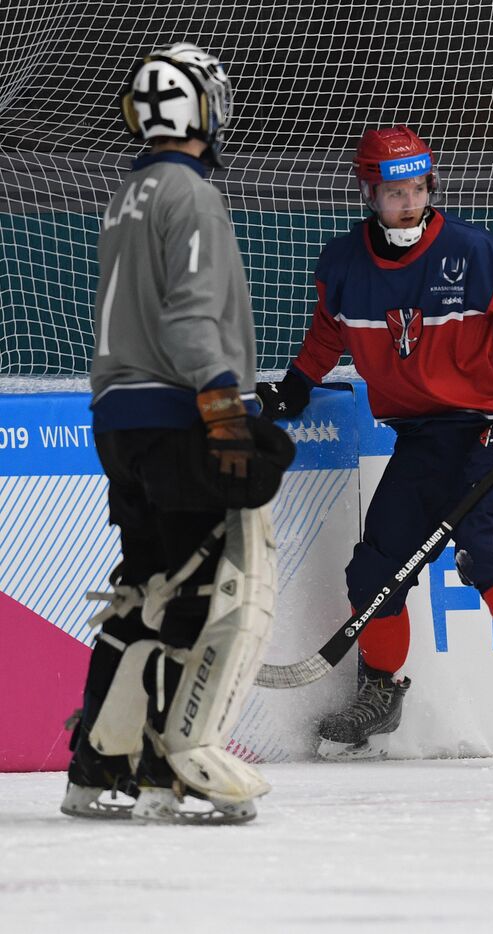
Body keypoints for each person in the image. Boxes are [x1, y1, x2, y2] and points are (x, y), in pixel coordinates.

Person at [256, 125, 493, 768]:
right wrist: (296, 387)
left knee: (487, 547)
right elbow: (330, 332)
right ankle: (380, 693)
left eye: (418, 189)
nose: (408, 203)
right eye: (394, 192)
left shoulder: (475, 253)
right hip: (422, 437)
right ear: (368, 193)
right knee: (373, 570)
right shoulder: (342, 265)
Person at [62, 43, 294, 824]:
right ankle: (177, 768)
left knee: (143, 588)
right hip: (175, 415)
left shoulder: (127, 194)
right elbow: (192, 315)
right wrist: (224, 407)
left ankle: (96, 766)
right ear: (206, 108)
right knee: (197, 591)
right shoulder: (188, 195)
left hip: (119, 420)